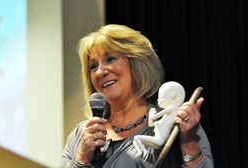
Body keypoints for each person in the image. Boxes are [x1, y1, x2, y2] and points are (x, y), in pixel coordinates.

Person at [58, 24, 213, 168]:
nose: (100, 72)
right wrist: (82, 158)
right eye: (93, 66)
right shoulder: (81, 135)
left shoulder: (177, 122)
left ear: (136, 63)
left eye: (110, 59)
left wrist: (189, 143)